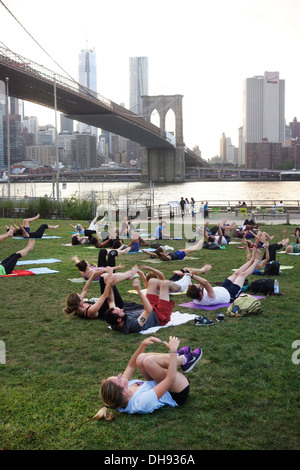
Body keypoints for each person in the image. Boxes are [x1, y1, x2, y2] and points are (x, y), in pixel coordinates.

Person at [93, 334, 202, 420]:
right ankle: (185, 359)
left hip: (160, 384)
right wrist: (172, 350)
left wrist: (143, 345)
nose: (120, 375)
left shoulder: (121, 392)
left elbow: (131, 365)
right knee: (149, 361)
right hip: (176, 393)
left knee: (141, 359)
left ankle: (179, 357)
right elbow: (170, 378)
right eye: (118, 379)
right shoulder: (140, 403)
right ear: (124, 392)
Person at [104, 276, 191, 334]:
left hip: (151, 309)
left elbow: (111, 301)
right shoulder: (132, 326)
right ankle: (181, 288)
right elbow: (148, 310)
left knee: (152, 281)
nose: (122, 309)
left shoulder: (114, 320)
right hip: (160, 316)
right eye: (120, 311)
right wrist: (139, 291)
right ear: (119, 319)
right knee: (165, 284)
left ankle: (178, 285)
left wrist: (109, 284)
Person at [185, 247, 261, 306]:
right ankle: (256, 261)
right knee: (242, 275)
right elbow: (205, 282)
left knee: (235, 273)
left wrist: (185, 275)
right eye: (199, 286)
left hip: (222, 289)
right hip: (231, 294)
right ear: (201, 294)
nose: (198, 284)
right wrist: (192, 276)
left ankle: (251, 260)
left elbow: (190, 285)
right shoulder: (209, 298)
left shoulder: (195, 297)